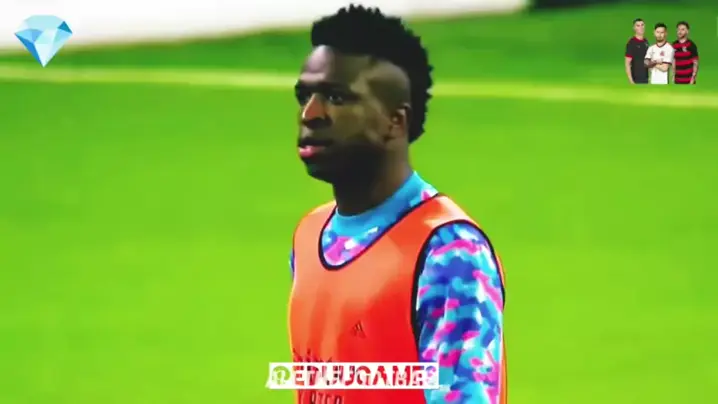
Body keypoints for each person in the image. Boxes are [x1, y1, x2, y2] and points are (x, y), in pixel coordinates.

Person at [288, 5, 506, 404]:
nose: (310, 114)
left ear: (395, 121)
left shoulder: (448, 250)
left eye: (336, 97)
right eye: (305, 96)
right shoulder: (310, 235)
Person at [625, 18, 650, 84]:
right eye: (638, 26)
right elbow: (627, 63)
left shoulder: (646, 41)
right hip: (636, 80)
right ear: (634, 28)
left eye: (642, 25)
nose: (641, 27)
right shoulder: (631, 43)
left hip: (646, 79)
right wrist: (631, 82)